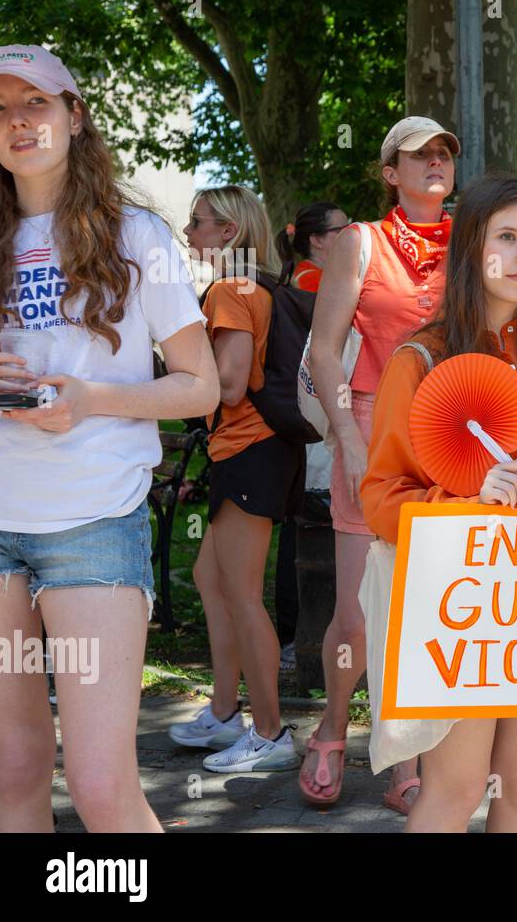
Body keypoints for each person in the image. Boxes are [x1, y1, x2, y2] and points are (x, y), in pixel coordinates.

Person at [0, 44, 218, 831]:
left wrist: (90, 400)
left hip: (91, 527)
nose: (18, 122)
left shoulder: (137, 235)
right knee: (11, 772)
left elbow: (201, 386)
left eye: (36, 104)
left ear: (74, 116)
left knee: (99, 787)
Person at [361, 173, 517, 831]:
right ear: (472, 246)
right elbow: (381, 499)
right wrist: (461, 501)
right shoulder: (420, 360)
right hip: (460, 602)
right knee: (458, 786)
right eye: (507, 237)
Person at [301, 116, 457, 811]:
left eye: (444, 153)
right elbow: (326, 347)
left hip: (454, 431)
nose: (434, 162)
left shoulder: (476, 239)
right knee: (360, 611)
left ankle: (408, 758)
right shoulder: (359, 242)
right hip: (371, 424)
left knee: (425, 605)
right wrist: (346, 432)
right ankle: (333, 728)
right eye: (417, 154)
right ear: (390, 172)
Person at [164, 185, 303, 773]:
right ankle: (224, 713)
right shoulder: (260, 284)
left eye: (197, 223)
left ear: (228, 231)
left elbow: (228, 382)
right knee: (210, 577)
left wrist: (174, 370)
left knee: (244, 594)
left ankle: (270, 733)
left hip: (250, 449)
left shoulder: (228, 289)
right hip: (255, 450)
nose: (189, 233)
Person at [272, 201, 350, 672]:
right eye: (341, 230)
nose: (351, 237)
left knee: (302, 531)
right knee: (308, 532)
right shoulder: (314, 283)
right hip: (318, 420)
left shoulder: (302, 280)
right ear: (318, 240)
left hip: (315, 418)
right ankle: (298, 639)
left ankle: (298, 638)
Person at [275, 201, 349, 293]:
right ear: (316, 240)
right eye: (341, 230)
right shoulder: (311, 281)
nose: (350, 234)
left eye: (350, 228)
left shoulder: (322, 276)